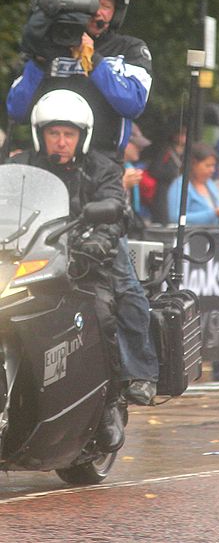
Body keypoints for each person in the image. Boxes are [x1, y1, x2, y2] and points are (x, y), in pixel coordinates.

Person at [7, 0, 158, 406]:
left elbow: (132, 100)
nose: (99, 12)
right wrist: (39, 56)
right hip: (41, 174)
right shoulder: (46, 48)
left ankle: (138, 372)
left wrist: (90, 58)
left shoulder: (130, 49)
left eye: (107, 5)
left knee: (122, 282)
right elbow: (17, 107)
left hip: (100, 173)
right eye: (92, 3)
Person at [7, 89, 126, 453]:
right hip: (27, 262)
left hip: (82, 264)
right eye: (53, 133)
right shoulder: (20, 165)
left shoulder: (101, 169)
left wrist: (97, 243)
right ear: (40, 134)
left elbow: (116, 211)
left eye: (68, 134)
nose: (60, 141)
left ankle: (110, 403)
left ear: (82, 136)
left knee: (102, 312)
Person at [167, 142, 219, 225]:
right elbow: (175, 217)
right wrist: (213, 213)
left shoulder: (210, 184)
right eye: (208, 166)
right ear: (193, 164)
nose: (212, 170)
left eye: (213, 166)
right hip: (191, 235)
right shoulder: (180, 185)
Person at [148, 122, 186, 224]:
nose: (184, 137)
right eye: (181, 134)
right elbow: (155, 170)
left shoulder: (185, 153)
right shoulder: (166, 151)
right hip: (164, 189)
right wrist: (172, 173)